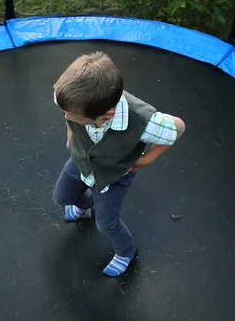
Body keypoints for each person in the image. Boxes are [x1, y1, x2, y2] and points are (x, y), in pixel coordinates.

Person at [52, 51, 185, 277]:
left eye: (73, 118)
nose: (67, 117)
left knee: (106, 224)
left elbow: (178, 127)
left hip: (115, 175)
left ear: (107, 114)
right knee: (62, 197)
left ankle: (126, 251)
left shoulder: (143, 121)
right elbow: (68, 112)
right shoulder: (73, 101)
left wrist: (145, 159)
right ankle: (85, 205)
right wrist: (70, 133)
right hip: (81, 161)